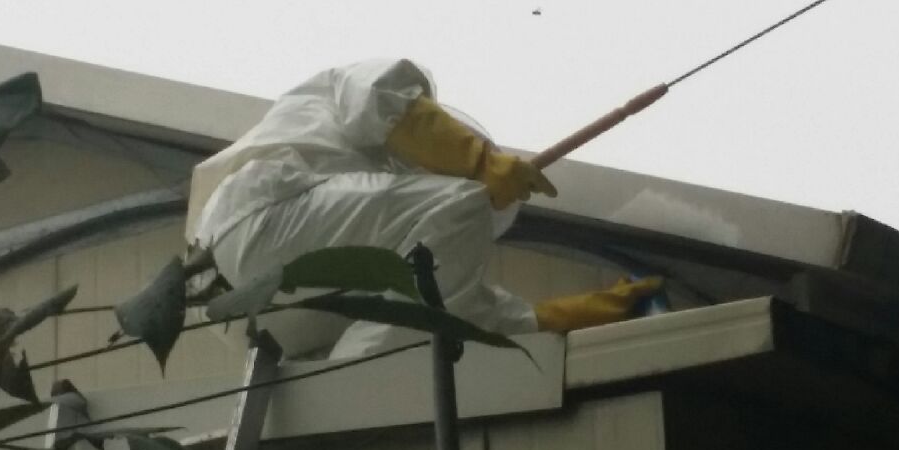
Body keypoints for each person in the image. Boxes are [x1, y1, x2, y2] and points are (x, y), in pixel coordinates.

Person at [187, 58, 662, 359]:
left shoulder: (380, 217)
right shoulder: (340, 104)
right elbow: (383, 97)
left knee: (429, 299)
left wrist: (575, 315)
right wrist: (481, 164)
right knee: (463, 207)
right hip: (253, 224)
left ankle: (349, 374)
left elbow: (462, 310)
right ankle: (356, 372)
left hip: (259, 321)